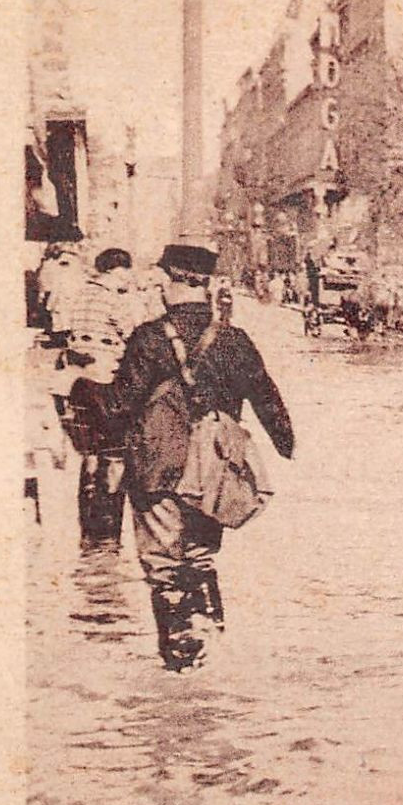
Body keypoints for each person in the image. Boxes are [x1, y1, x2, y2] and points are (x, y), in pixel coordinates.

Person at [102, 243, 295, 671]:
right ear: (205, 286)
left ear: (172, 281)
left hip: (160, 471)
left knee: (165, 567)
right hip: (215, 473)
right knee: (200, 559)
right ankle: (214, 653)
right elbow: (267, 399)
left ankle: (183, 671)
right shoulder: (233, 339)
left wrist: (85, 392)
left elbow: (120, 404)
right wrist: (285, 443)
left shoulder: (149, 337)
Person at [63, 247, 141, 546]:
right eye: (126, 271)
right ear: (117, 270)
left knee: (90, 453)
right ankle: (108, 527)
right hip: (107, 380)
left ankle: (88, 526)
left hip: (79, 382)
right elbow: (133, 335)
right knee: (115, 452)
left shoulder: (81, 294)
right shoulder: (113, 298)